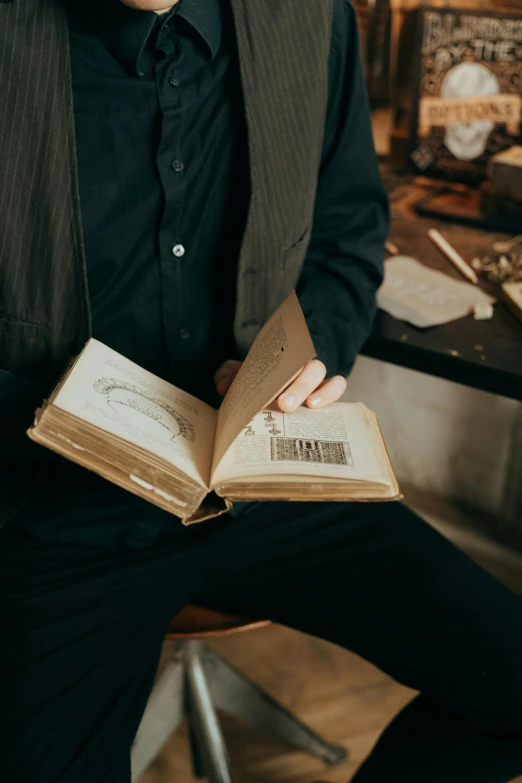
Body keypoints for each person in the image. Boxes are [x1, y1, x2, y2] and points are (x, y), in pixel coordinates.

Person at [0, 1, 521, 781]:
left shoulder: (311, 17)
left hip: (260, 481)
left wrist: (306, 358)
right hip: (54, 512)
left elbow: (347, 233)